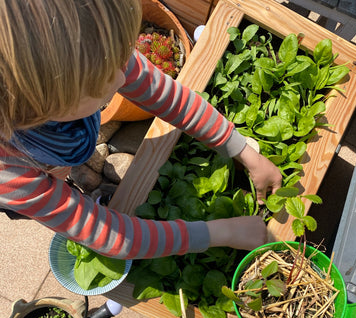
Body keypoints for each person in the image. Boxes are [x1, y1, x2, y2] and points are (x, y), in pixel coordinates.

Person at [0, 0, 282, 260]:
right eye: (100, 85)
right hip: (25, 165)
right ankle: (54, 174)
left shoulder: (86, 54)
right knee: (49, 184)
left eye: (120, 59)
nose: (123, 77)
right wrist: (220, 233)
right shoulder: (10, 174)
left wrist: (242, 149)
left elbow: (164, 94)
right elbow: (109, 236)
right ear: (36, 110)